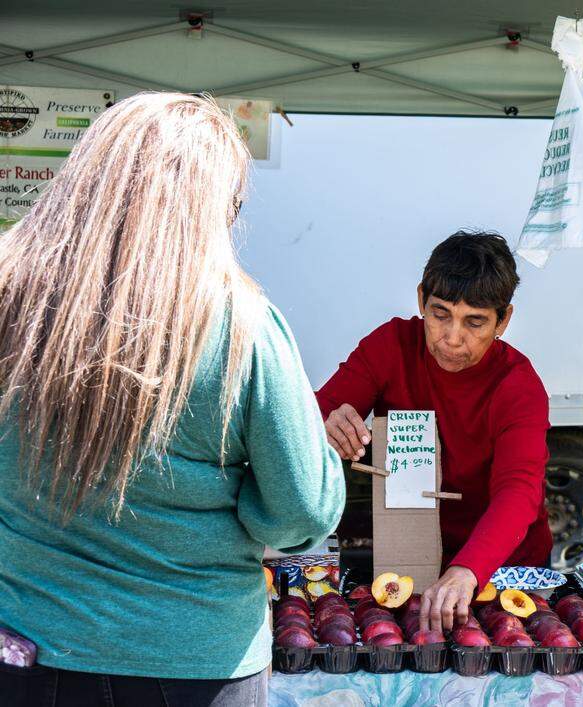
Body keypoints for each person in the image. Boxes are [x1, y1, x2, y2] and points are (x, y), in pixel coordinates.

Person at [0, 93, 345, 705]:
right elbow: (302, 514)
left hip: (27, 650)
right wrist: (245, 499)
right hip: (194, 664)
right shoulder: (243, 326)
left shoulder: (9, 293)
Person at [316, 231, 550, 634]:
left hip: (501, 566)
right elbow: (311, 417)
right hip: (409, 560)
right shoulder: (390, 345)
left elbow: (519, 490)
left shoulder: (519, 384)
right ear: (422, 299)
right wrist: (327, 424)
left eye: (474, 322)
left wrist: (467, 569)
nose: (452, 338)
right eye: (440, 314)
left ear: (504, 320)